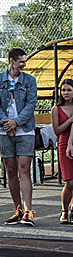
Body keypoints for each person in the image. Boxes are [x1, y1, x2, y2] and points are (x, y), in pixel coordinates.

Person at [0, 48, 38, 227]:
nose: (24, 65)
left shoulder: (30, 80)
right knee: (10, 169)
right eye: (21, 62)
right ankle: (17, 210)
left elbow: (31, 104)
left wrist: (16, 122)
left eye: (24, 61)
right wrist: (6, 122)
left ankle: (28, 211)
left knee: (24, 168)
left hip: (25, 129)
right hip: (4, 129)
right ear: (11, 61)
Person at [57, 79, 73, 223]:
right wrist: (70, 120)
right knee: (69, 181)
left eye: (69, 90)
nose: (66, 93)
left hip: (72, 142)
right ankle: (64, 210)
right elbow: (57, 130)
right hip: (64, 143)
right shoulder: (56, 109)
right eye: (63, 90)